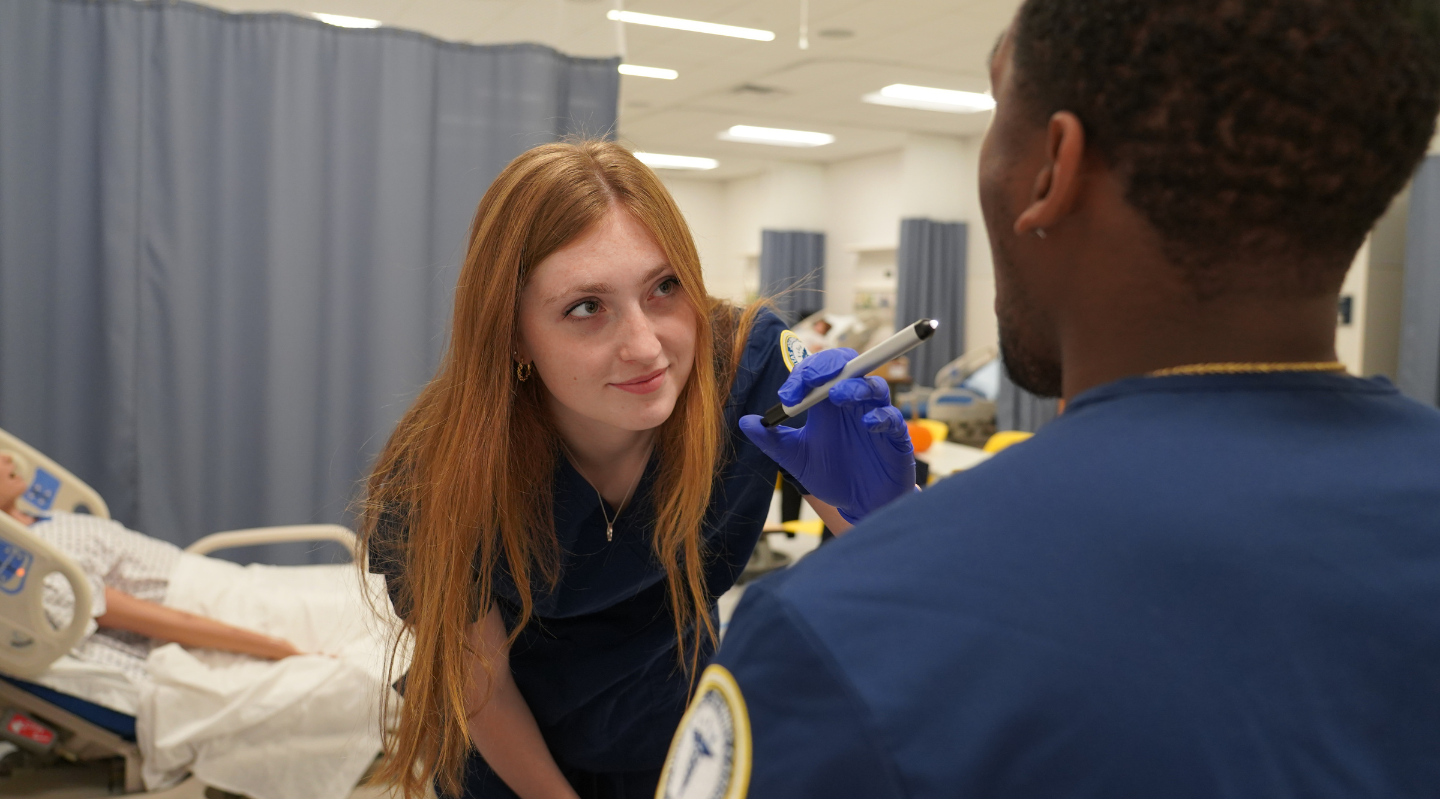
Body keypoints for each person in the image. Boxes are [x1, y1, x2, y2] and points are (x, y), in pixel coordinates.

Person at [664, 1, 1440, 797]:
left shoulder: (831, 643)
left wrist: (909, 562)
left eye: (999, 108)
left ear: (1052, 169)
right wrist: (895, 531)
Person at [359, 141, 917, 799]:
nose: (646, 346)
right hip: (518, 770)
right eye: (586, 307)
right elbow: (482, 687)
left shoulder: (743, 372)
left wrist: (890, 510)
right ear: (512, 333)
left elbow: (913, 589)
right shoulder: (438, 474)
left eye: (664, 287)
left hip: (687, 749)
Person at [0, 452, 305, 677]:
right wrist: (273, 647)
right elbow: (164, 620)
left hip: (219, 582)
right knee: (317, 617)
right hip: (207, 607)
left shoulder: (46, 522)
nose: (8, 458)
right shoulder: (43, 564)